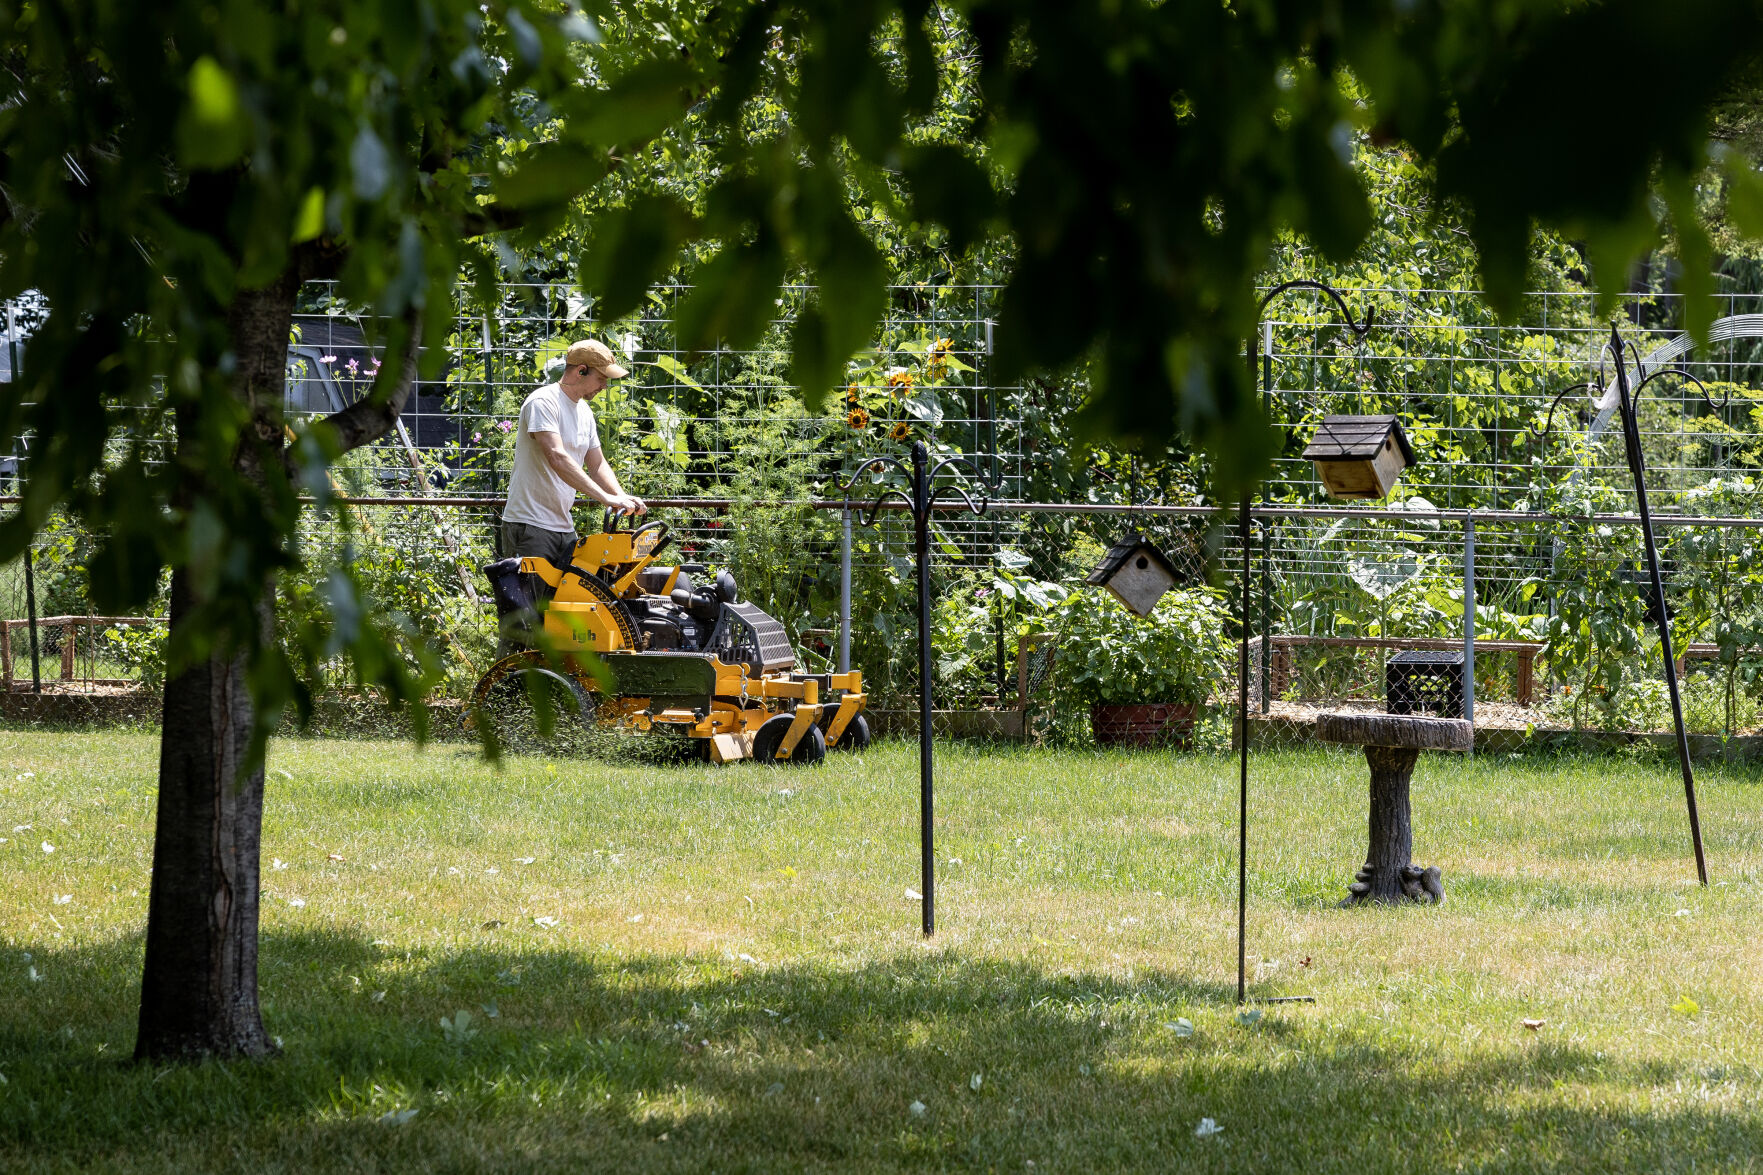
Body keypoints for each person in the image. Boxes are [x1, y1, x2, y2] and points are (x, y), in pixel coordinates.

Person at [500, 339, 647, 572]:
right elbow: (557, 457)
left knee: (568, 604)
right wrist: (606, 499)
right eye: (601, 378)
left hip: (563, 527)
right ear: (581, 371)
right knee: (529, 608)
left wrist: (621, 497)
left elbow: (597, 463)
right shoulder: (543, 402)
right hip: (530, 525)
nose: (604, 386)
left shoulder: (584, 411)